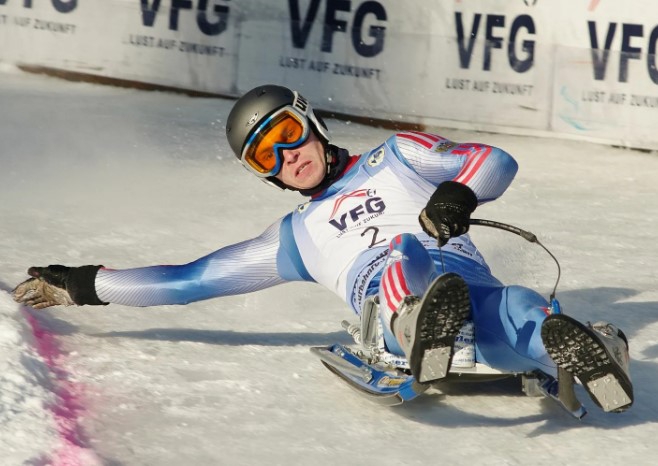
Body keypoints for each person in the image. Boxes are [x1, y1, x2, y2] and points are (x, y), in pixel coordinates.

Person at [12, 84, 633, 413]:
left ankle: (581, 353)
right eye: (267, 155)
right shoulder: (293, 237)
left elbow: (493, 160)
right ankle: (420, 326)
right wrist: (85, 284)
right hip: (392, 294)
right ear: (263, 175)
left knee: (510, 305)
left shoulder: (398, 156)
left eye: (288, 133)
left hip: (463, 274)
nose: (289, 156)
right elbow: (189, 280)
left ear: (309, 121)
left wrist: (457, 194)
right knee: (407, 257)